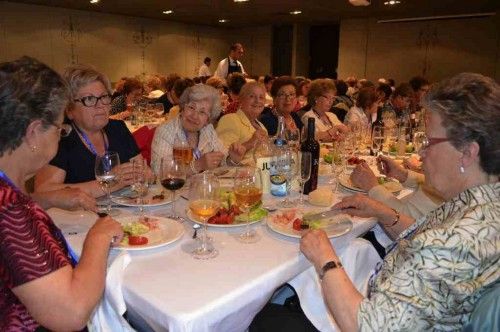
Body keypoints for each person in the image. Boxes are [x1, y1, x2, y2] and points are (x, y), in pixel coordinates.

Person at [300, 72, 499, 330]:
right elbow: (427, 243)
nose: (421, 152)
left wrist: (325, 258)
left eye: (429, 142)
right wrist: (383, 212)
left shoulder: (453, 241)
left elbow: (367, 327)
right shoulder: (482, 204)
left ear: (467, 153)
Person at [0, 56, 123, 331]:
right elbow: (72, 313)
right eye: (59, 128)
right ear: (33, 133)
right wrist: (99, 237)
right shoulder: (9, 208)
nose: (61, 135)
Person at [35, 64, 142, 198]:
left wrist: (142, 175)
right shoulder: (61, 137)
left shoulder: (118, 128)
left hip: (126, 210)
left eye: (104, 97)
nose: (100, 105)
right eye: (89, 99)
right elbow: (43, 191)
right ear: (69, 109)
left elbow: (143, 170)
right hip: (81, 215)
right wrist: (109, 183)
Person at [151, 84, 245, 174]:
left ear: (208, 119)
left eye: (202, 112)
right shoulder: (166, 131)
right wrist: (197, 165)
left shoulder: (208, 130)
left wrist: (232, 159)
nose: (194, 116)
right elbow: (160, 170)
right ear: (183, 107)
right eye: (191, 107)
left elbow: (221, 160)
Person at [216, 82, 268, 165]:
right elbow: (220, 158)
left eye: (261, 97)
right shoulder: (230, 119)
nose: (257, 100)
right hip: (239, 176)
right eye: (252, 96)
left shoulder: (261, 126)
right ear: (241, 100)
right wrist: (250, 143)